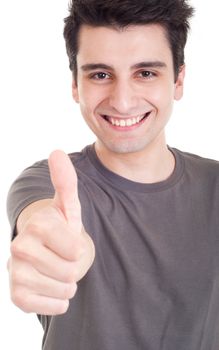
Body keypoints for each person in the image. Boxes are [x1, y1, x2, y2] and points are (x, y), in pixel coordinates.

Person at [6, 0, 219, 349]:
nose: (122, 101)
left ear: (178, 80)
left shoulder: (215, 186)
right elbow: (42, 222)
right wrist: (56, 253)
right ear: (75, 85)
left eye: (145, 73)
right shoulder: (51, 183)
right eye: (100, 75)